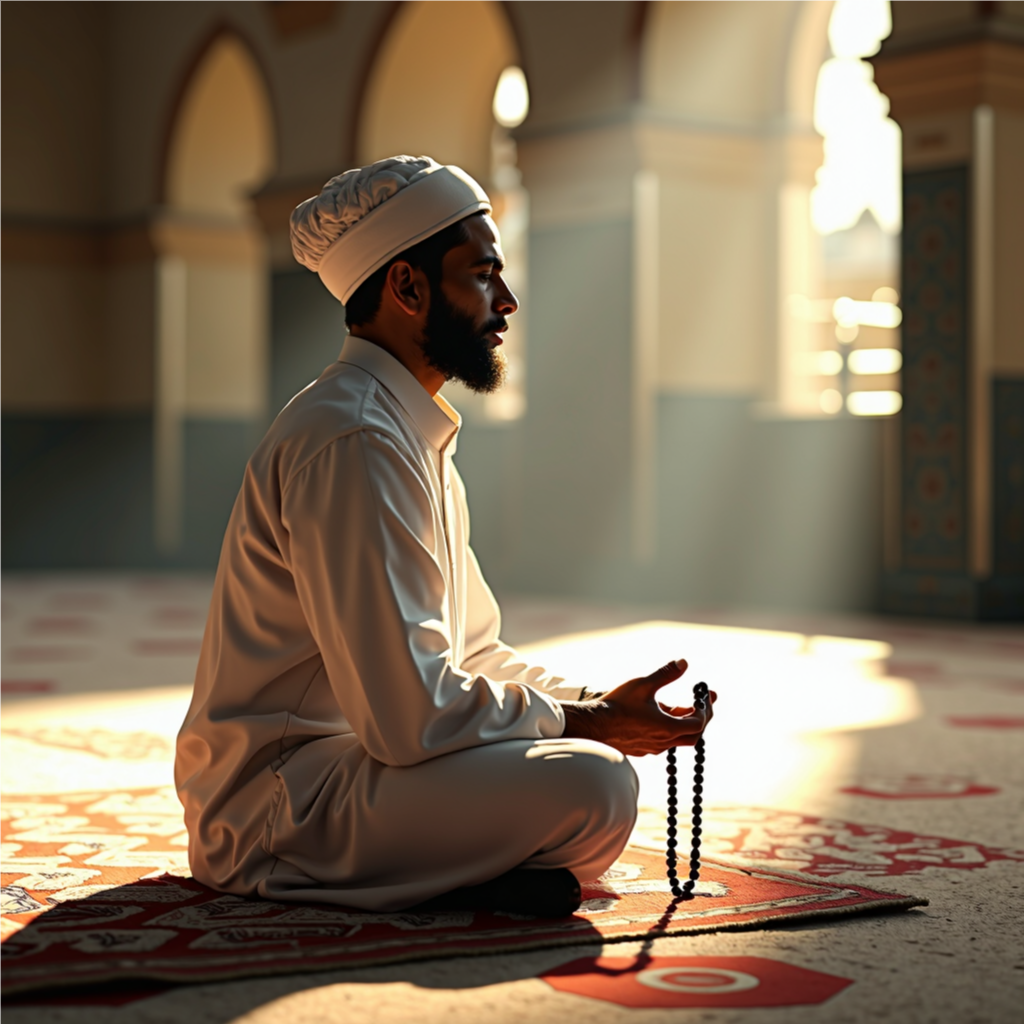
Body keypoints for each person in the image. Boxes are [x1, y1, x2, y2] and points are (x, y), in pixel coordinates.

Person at [175, 156, 714, 917]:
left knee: (591, 770)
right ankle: (428, 873)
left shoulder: (405, 430)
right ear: (407, 287)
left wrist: (600, 704)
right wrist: (591, 724)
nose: (508, 301)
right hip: (281, 803)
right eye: (484, 274)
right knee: (593, 784)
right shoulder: (354, 437)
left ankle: (458, 873)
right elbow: (410, 718)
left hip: (356, 771)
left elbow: (474, 655)